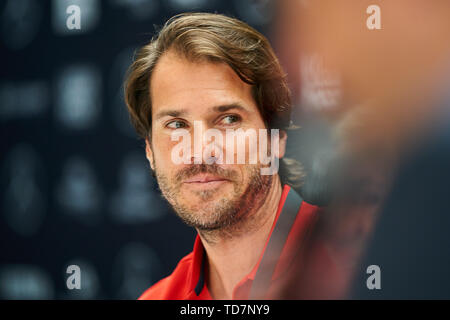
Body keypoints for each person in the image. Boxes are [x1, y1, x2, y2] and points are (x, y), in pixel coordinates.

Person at [123, 12, 321, 300]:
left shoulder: (359, 263)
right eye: (177, 125)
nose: (201, 151)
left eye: (228, 119)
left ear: (276, 139)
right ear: (150, 151)